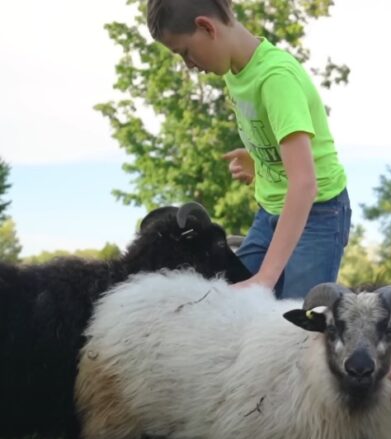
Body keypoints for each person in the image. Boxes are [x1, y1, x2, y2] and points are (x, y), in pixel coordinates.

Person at [147, 0, 351, 299]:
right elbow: (278, 136)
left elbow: (305, 184)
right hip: (270, 211)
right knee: (228, 297)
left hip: (318, 213)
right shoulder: (236, 71)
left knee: (290, 321)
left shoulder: (275, 79)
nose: (188, 64)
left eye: (185, 52)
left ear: (206, 27)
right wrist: (258, 158)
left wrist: (266, 277)